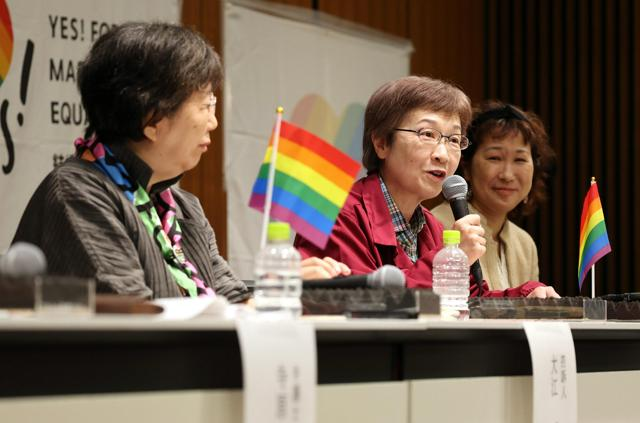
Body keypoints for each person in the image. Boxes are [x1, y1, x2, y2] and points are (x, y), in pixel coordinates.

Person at [11, 22, 348, 303]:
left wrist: (280, 292)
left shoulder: (182, 206)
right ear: (152, 118)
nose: (213, 122)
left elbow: (230, 298)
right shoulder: (78, 192)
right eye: (205, 105)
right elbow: (134, 314)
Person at [295, 76, 558, 298]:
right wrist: (448, 260)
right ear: (382, 143)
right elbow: (365, 304)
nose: (443, 154)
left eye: (453, 139)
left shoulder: (430, 226)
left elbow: (471, 302)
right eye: (427, 135)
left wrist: (527, 295)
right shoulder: (335, 214)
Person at [431, 101, 555, 291]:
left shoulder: (525, 244)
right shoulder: (436, 225)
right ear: (467, 167)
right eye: (494, 158)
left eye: (520, 159)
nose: (507, 175)